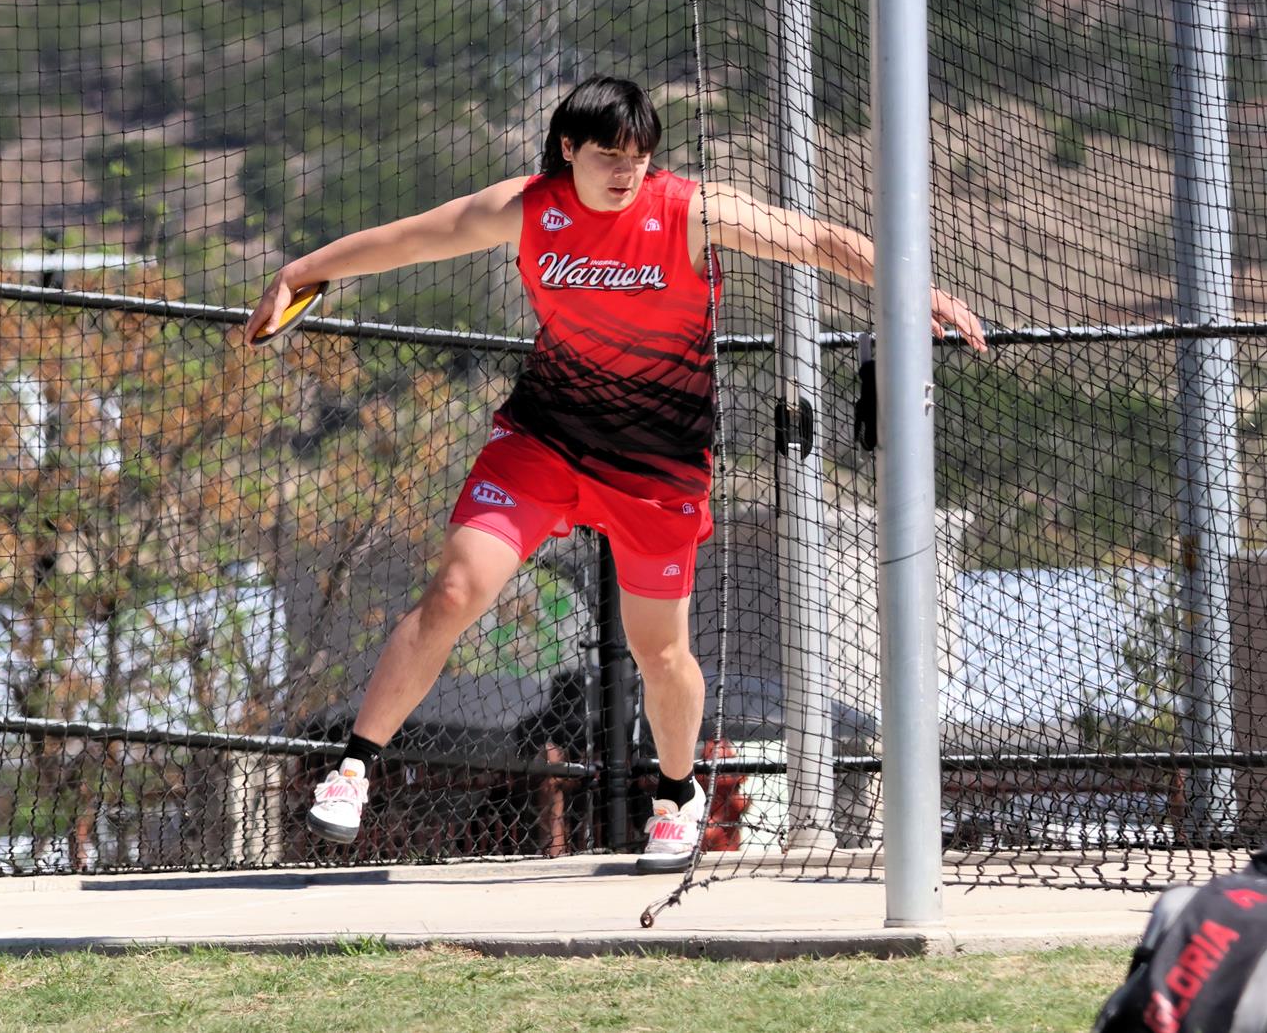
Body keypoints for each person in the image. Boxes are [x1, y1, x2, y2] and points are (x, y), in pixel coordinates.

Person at [243, 76, 988, 873]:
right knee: (455, 591)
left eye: (639, 156)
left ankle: (675, 796)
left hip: (656, 465)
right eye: (608, 156)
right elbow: (412, 239)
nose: (626, 171)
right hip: (546, 438)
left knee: (659, 651)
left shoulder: (693, 210)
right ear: (568, 150)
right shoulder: (529, 207)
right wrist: (303, 269)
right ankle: (354, 771)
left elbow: (813, 239)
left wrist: (914, 288)